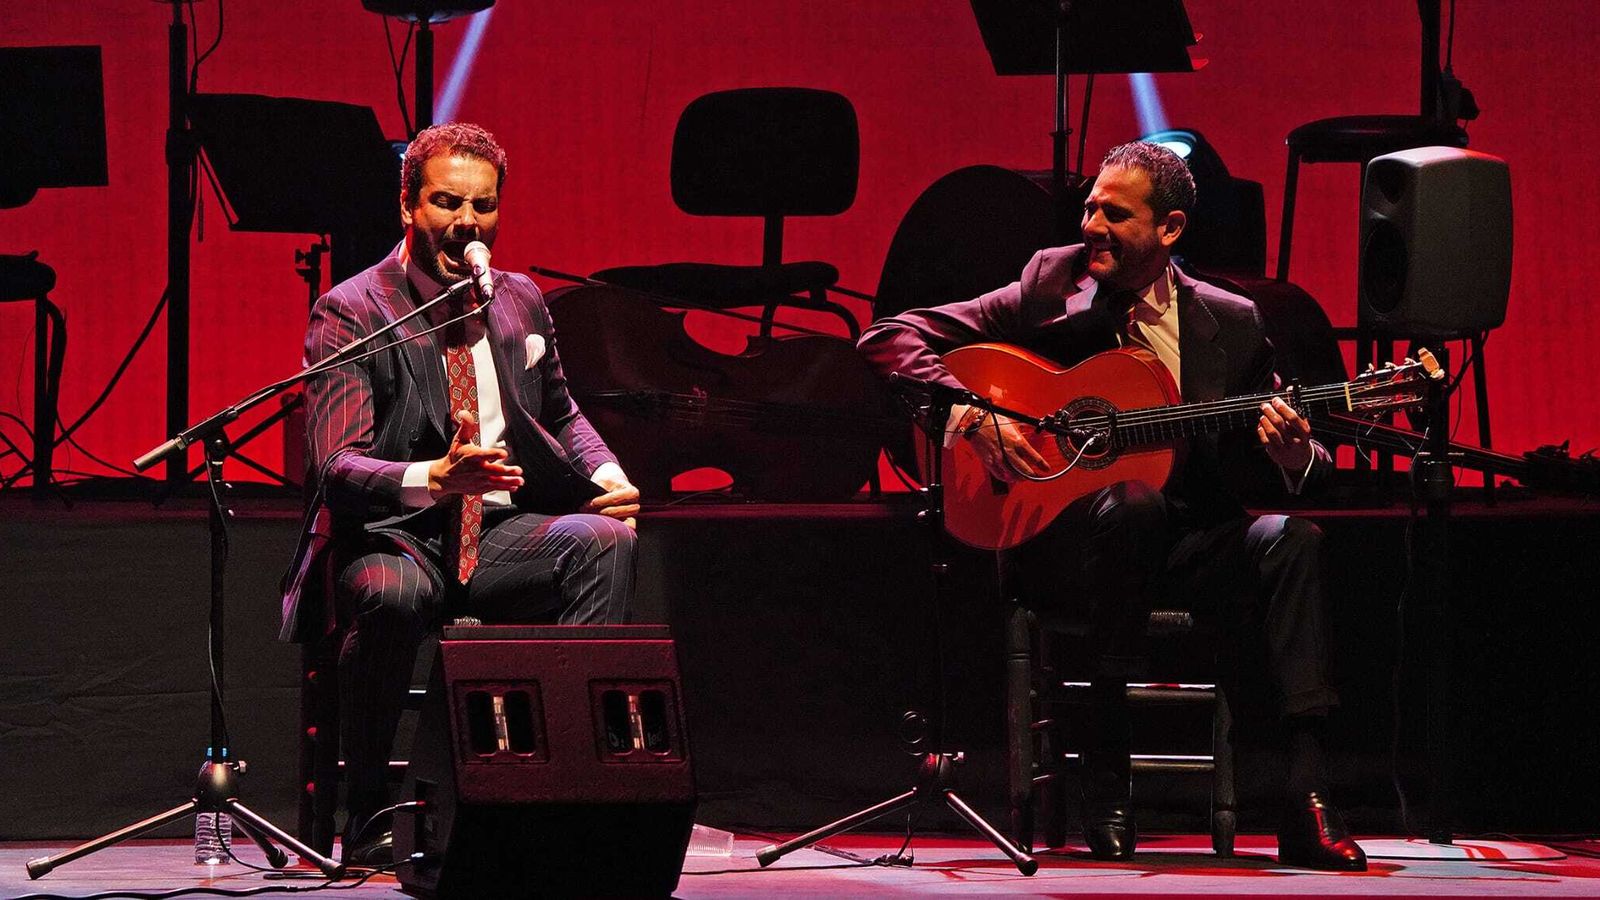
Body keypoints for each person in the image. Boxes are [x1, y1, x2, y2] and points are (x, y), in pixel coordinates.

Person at [857, 141, 1366, 871]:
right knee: (1131, 505)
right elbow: (888, 337)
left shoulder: (1232, 320)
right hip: (1067, 548)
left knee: (1294, 540)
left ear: (1170, 228)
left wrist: (1291, 454)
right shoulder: (1050, 285)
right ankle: (1105, 771)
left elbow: (1288, 457)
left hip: (1188, 543)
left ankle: (1306, 799)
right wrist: (970, 416)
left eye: (1114, 214)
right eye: (1090, 207)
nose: (1090, 225)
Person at [279, 122, 640, 865]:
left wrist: (606, 474)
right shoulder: (353, 310)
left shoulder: (520, 300)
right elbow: (336, 468)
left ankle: (571, 800)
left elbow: (560, 412)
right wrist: (433, 479)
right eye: (447, 202)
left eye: (484, 205)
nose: (467, 222)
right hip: (395, 536)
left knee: (605, 541)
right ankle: (370, 813)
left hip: (499, 537)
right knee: (392, 594)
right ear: (407, 205)